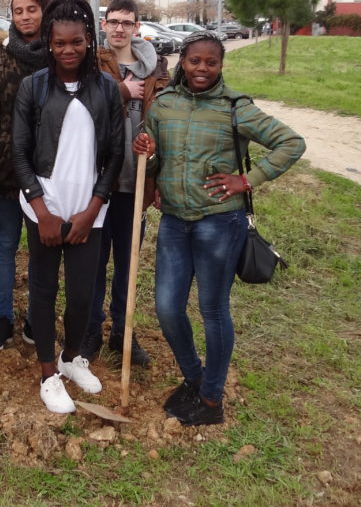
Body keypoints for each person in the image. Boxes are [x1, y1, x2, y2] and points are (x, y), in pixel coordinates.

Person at [133, 31, 305, 426]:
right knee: (167, 308)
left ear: (221, 66)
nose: (202, 68)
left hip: (219, 223)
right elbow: (154, 161)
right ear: (183, 62)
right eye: (195, 61)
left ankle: (211, 399)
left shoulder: (235, 107)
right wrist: (148, 154)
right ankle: (195, 378)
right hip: (174, 222)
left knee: (213, 309)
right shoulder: (164, 105)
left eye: (211, 62)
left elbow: (291, 143)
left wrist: (248, 180)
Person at [12, 0, 124, 414]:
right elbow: (20, 153)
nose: (68, 50)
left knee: (82, 295)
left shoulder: (107, 88)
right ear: (49, 43)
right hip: (46, 208)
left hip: (89, 212)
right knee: (43, 291)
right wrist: (42, 211)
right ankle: (48, 374)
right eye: (59, 43)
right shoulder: (34, 87)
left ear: (89, 39)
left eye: (76, 41)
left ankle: (70, 357)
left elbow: (115, 155)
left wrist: (93, 209)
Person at [82, 0, 167, 366]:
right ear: (104, 24)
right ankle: (91, 329)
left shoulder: (156, 70)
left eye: (126, 22)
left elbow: (165, 125)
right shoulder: (91, 63)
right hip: (100, 183)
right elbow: (82, 107)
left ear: (136, 27)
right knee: (95, 262)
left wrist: (158, 176)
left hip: (137, 183)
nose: (119, 28)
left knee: (127, 263)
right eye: (113, 21)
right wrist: (120, 91)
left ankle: (122, 330)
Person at [0, 0, 51, 351]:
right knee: (6, 244)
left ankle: (36, 318)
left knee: (41, 249)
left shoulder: (58, 57)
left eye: (31, 10)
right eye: (18, 10)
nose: (24, 17)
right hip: (6, 169)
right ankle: (4, 317)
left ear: (44, 12)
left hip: (47, 171)